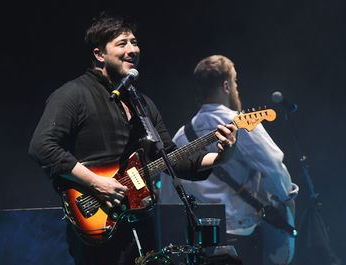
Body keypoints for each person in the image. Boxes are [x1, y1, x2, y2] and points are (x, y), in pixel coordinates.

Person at [28, 13, 238, 265]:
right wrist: (97, 183)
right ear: (99, 54)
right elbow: (42, 146)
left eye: (134, 42)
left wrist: (221, 156)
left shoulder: (142, 103)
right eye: (122, 43)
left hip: (140, 219)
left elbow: (171, 158)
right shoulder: (73, 94)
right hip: (97, 218)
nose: (132, 49)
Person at [159, 55, 299, 265]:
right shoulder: (242, 123)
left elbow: (169, 196)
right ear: (226, 85)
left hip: (201, 243)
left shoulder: (180, 136)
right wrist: (287, 199)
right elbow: (274, 167)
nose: (236, 88)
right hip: (240, 235)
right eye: (235, 82)